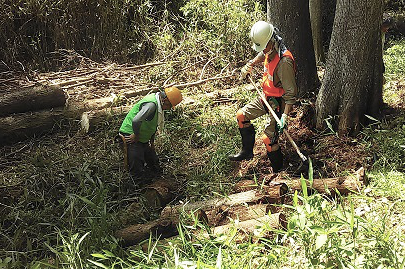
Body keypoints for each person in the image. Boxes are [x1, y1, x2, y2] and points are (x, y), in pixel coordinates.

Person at [228, 21, 297, 173]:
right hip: (266, 97)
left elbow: (291, 93)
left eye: (264, 46)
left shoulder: (284, 61)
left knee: (268, 140)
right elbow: (262, 53)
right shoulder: (269, 49)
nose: (263, 50)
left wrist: (285, 116)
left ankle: (278, 172)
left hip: (278, 103)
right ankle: (246, 152)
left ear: (272, 40)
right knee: (241, 116)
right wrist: (251, 64)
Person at [119, 86, 182, 180]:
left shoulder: (158, 103)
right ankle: (137, 189)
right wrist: (135, 135)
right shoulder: (152, 105)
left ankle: (156, 181)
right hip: (131, 136)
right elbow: (136, 121)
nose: (168, 109)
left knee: (153, 162)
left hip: (142, 138)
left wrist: (151, 138)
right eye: (169, 106)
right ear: (165, 100)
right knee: (137, 166)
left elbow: (151, 123)